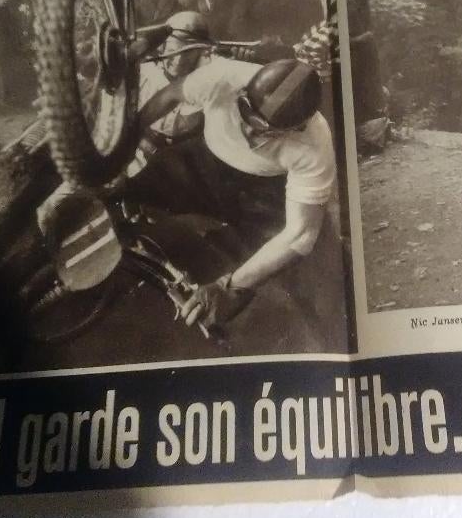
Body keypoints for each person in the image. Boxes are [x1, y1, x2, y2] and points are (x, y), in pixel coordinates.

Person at [138, 54, 335, 329]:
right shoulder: (224, 76)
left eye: (266, 131)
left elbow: (299, 235)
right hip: (203, 161)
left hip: (264, 195)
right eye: (245, 112)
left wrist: (230, 286)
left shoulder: (316, 142)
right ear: (243, 91)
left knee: (295, 280)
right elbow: (171, 95)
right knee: (127, 188)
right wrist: (132, 135)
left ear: (298, 128)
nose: (249, 133)